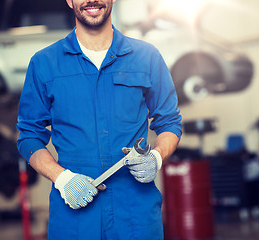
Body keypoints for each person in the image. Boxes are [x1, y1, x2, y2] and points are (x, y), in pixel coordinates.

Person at [16, 0, 182, 239]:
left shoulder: (147, 57)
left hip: (136, 214)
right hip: (74, 217)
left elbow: (170, 122)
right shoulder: (45, 63)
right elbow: (29, 136)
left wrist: (156, 157)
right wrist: (61, 178)